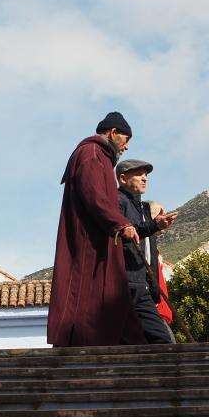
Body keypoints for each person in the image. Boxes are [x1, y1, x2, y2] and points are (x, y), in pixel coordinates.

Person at [47, 112, 147, 347]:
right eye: (125, 139)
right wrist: (121, 224)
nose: (126, 146)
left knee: (114, 298)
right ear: (113, 133)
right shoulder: (91, 153)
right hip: (88, 244)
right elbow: (95, 196)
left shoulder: (99, 156)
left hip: (101, 238)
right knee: (89, 296)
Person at [115, 160, 177, 343]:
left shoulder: (141, 207)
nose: (144, 178)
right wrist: (153, 225)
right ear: (123, 178)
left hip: (141, 285)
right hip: (128, 285)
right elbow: (124, 235)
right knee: (162, 340)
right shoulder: (118, 201)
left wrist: (155, 224)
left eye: (146, 175)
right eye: (139, 174)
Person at [148, 202, 175, 325]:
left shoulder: (154, 248)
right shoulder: (145, 245)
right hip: (154, 310)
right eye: (160, 215)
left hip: (160, 310)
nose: (164, 217)